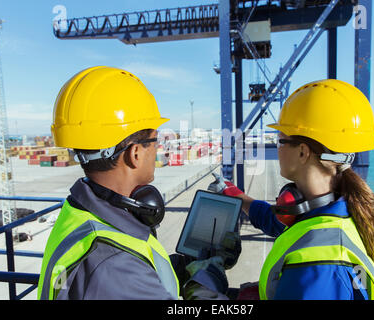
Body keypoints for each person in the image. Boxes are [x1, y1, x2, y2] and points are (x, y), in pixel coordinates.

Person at [37, 66, 233, 300]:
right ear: (136, 154)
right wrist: (206, 284)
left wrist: (184, 266)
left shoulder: (80, 214)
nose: (159, 148)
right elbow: (120, 276)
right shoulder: (113, 267)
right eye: (155, 141)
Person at [209, 79, 374, 300]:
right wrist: (233, 193)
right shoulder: (334, 211)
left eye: (280, 140)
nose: (277, 148)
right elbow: (276, 220)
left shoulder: (316, 268)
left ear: (302, 152)